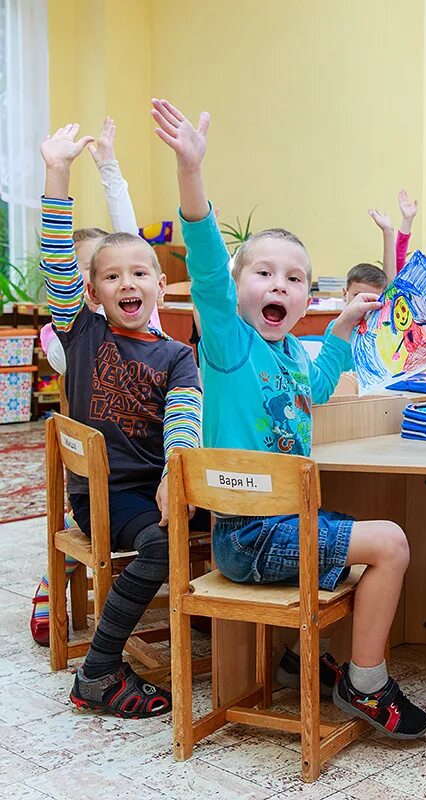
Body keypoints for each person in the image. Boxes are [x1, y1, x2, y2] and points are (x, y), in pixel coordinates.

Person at [152, 97, 426, 739]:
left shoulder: (289, 355)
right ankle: (364, 685)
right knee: (391, 543)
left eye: (295, 278)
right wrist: (192, 172)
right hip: (250, 537)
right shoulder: (228, 347)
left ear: (307, 295)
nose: (279, 285)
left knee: (371, 546)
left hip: (287, 526)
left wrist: (338, 328)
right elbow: (204, 267)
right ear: (237, 285)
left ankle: (309, 659)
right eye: (264, 273)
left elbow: (320, 385)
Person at [40, 123, 202, 717]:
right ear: (92, 292)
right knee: (162, 549)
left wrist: (174, 476)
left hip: (158, 486)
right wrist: (58, 172)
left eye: (139, 273)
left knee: (248, 513)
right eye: (112, 276)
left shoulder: (177, 354)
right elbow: (58, 261)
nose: (126, 283)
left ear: (161, 286)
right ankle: (100, 672)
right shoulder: (81, 332)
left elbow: (183, 424)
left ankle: (259, 638)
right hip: (109, 497)